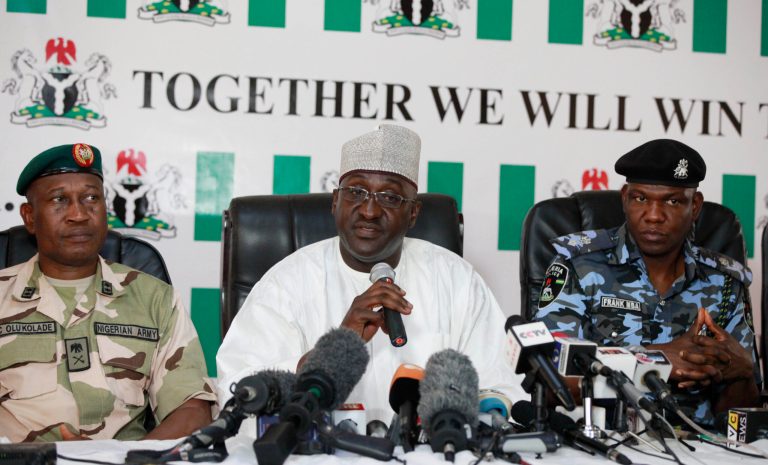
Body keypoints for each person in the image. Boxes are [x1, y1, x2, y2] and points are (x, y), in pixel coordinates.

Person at [217, 124, 523, 423]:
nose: (369, 211)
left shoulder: (457, 281)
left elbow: (502, 386)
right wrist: (334, 350)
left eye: (390, 197)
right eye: (356, 192)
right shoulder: (286, 283)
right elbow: (239, 391)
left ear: (413, 213)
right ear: (335, 201)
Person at [535, 139, 760, 426]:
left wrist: (740, 372)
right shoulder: (578, 265)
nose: (654, 216)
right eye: (641, 199)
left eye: (672, 201)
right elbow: (550, 377)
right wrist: (654, 360)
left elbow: (738, 419)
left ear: (695, 206)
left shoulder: (724, 284)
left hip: (700, 446)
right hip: (604, 442)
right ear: (625, 197)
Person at [0, 143, 216, 442]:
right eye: (59, 199)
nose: (79, 214)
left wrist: (129, 460)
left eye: (91, 198)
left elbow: (192, 409)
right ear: (30, 217)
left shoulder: (155, 299)